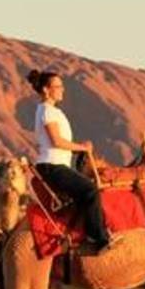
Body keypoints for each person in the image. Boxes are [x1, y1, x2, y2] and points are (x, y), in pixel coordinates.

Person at [27, 69, 112, 253]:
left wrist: (80, 148)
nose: (62, 90)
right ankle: (96, 238)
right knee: (90, 190)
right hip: (52, 166)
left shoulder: (50, 111)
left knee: (85, 190)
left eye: (62, 86)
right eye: (58, 86)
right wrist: (83, 148)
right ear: (46, 90)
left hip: (57, 165)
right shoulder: (47, 111)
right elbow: (56, 141)